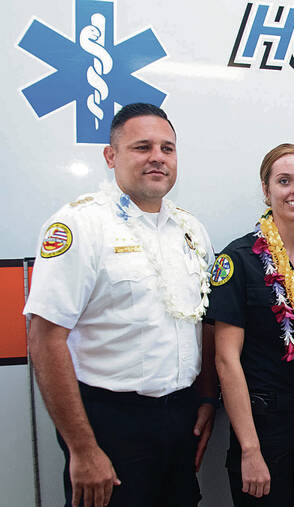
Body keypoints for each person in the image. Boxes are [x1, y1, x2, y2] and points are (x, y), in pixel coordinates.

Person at [23, 103, 217, 507]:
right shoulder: (80, 225)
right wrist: (82, 448)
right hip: (108, 422)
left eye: (167, 148)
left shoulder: (191, 230)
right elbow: (44, 338)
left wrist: (205, 399)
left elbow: (203, 323)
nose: (157, 157)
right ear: (110, 156)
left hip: (180, 418)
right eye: (142, 147)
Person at [207, 143, 294, 506]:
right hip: (264, 429)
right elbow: (226, 361)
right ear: (266, 191)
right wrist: (250, 450)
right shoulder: (238, 260)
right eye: (284, 181)